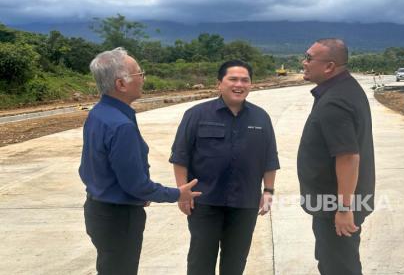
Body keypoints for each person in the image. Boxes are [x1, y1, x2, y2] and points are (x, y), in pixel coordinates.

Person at [79, 47, 201, 275]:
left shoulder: (100, 113)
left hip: (99, 210)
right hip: (118, 218)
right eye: (139, 74)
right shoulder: (120, 125)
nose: (144, 79)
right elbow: (135, 184)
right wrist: (177, 194)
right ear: (121, 84)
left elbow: (87, 168)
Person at [169, 60, 280, 275]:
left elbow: (269, 158)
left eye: (245, 80)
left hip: (245, 203)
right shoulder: (196, 114)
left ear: (251, 84)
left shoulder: (261, 117)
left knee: (235, 262)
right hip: (204, 202)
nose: (239, 84)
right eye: (233, 79)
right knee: (201, 260)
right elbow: (180, 156)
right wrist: (183, 192)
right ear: (219, 83)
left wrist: (268, 191)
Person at [297, 38, 375, 275]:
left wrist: (343, 208)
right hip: (334, 203)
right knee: (335, 260)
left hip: (335, 205)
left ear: (329, 66)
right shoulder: (344, 89)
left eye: (309, 58)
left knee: (338, 266)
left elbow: (348, 157)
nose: (304, 62)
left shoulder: (336, 101)